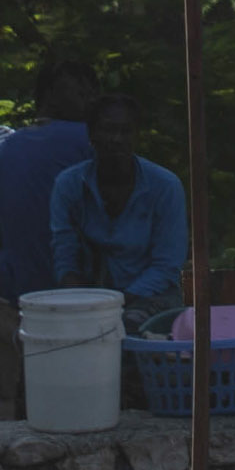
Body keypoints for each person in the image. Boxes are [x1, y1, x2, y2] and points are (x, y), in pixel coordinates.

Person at [0, 58, 101, 405]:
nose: (89, 98)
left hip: (24, 283)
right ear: (50, 95)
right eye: (80, 91)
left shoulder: (7, 150)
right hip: (90, 281)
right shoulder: (95, 140)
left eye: (91, 92)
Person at [45, 94, 188, 334]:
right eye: (108, 130)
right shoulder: (69, 185)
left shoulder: (165, 186)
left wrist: (115, 305)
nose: (116, 140)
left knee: (123, 330)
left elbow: (167, 265)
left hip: (151, 298)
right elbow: (65, 254)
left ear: (136, 136)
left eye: (125, 131)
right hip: (90, 299)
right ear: (92, 135)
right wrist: (79, 307)